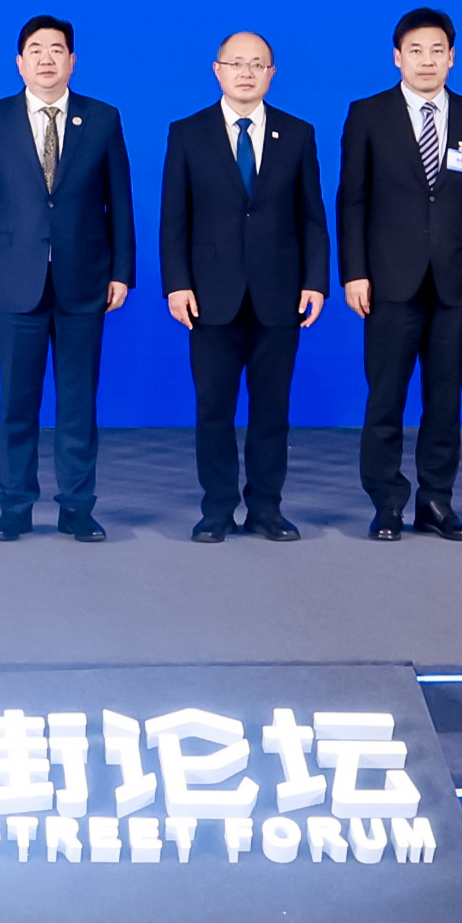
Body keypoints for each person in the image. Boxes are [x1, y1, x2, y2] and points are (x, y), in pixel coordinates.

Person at [0, 15, 137, 542]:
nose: (45, 59)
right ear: (19, 62)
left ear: (72, 61)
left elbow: (120, 202)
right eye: (35, 50)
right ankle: (14, 506)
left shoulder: (102, 118)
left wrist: (121, 271)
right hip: (13, 283)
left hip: (86, 281)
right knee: (17, 402)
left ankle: (77, 507)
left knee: (78, 403)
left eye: (56, 49)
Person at [335, 7, 462, 540]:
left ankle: (436, 502)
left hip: (457, 281)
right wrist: (354, 273)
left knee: (445, 400)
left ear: (452, 57)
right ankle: (387, 503)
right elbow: (352, 200)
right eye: (415, 51)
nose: (426, 60)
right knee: (385, 398)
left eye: (436, 51)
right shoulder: (368, 114)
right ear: (397, 57)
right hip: (388, 280)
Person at [158, 31, 328, 542]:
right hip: (210, 296)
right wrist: (177, 284)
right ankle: (216, 509)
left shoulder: (297, 133)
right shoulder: (188, 132)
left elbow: (312, 216)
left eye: (258, 64)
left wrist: (316, 281)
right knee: (214, 409)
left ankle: (266, 508)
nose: (247, 72)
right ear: (218, 70)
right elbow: (174, 218)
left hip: (280, 293)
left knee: (271, 410)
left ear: (272, 74)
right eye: (237, 63)